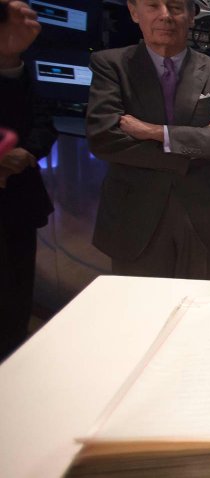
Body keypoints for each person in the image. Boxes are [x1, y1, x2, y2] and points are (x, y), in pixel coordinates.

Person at [86, 0, 210, 279]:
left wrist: (156, 133)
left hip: (201, 218)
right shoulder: (111, 65)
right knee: (138, 313)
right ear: (134, 12)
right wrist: (197, 146)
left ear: (191, 16)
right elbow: (104, 138)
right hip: (135, 217)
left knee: (196, 310)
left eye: (174, 7)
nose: (165, 16)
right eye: (153, 6)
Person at [0, 0, 54, 361]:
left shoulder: (25, 70)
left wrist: (25, 155)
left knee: (16, 302)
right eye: (20, 13)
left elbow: (44, 123)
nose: (31, 20)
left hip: (19, 205)